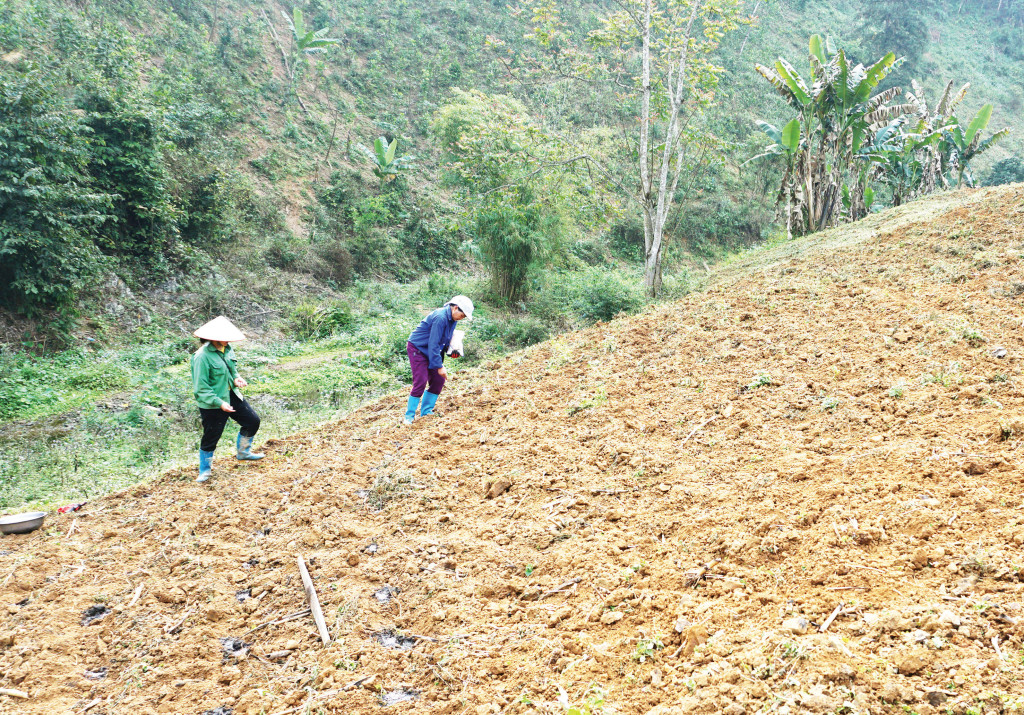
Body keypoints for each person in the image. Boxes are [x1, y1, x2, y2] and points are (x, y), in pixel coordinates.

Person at [190, 316, 264, 483]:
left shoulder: (227, 349)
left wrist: (237, 378)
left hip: (231, 394)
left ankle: (243, 452)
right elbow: (201, 389)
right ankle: (205, 470)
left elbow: (232, 369)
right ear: (213, 338)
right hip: (212, 401)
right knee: (212, 434)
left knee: (252, 421)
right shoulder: (201, 357)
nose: (228, 340)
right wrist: (220, 403)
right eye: (225, 337)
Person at [404, 295, 473, 424]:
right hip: (418, 349)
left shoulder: (452, 319)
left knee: (438, 380)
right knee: (421, 381)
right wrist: (439, 366)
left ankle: (426, 412)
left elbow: (443, 340)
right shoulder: (441, 317)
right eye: (462, 315)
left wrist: (452, 351)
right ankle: (409, 416)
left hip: (432, 349)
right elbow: (433, 343)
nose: (462, 318)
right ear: (455, 308)